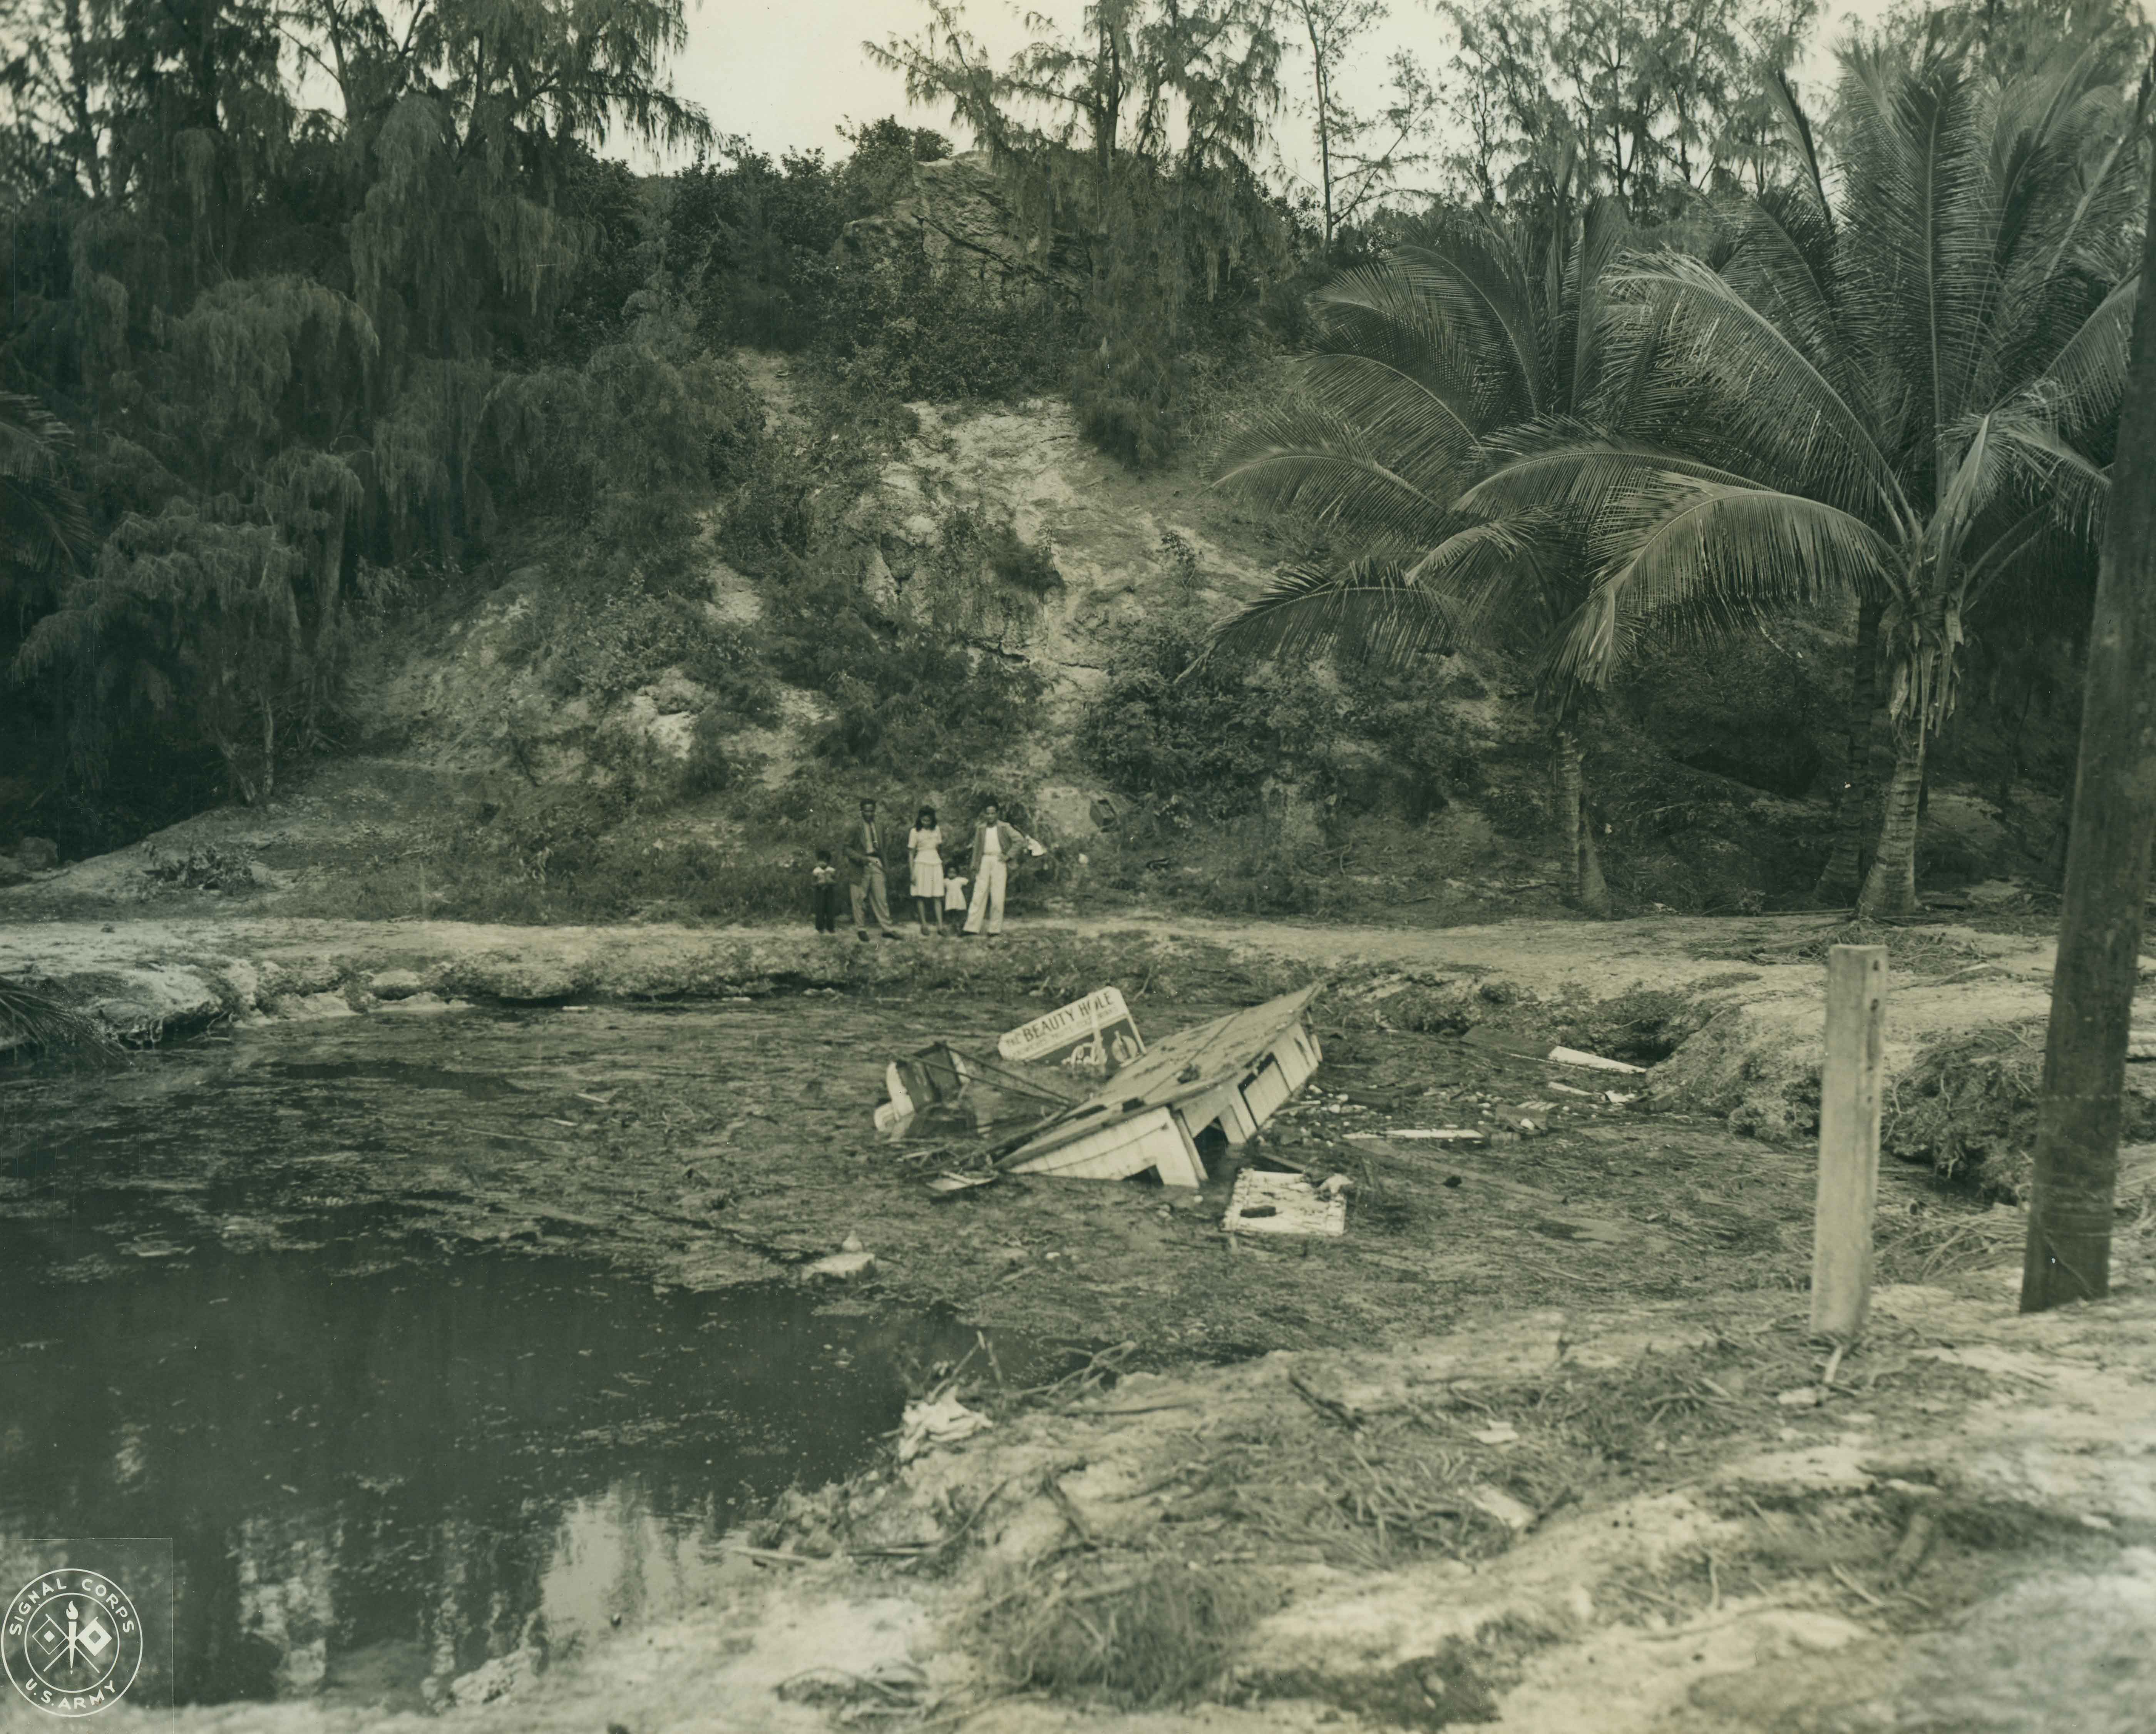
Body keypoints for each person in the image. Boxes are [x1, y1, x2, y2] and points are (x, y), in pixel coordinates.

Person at [961, 799, 1042, 938]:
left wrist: (1008, 856)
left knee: (998, 896)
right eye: (988, 814)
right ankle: (971, 927)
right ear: (984, 815)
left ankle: (994, 929)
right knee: (979, 894)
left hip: (999, 861)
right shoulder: (981, 829)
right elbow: (977, 849)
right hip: (985, 861)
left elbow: (1020, 840)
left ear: (997, 814)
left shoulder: (1004, 827)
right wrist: (975, 866)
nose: (991, 816)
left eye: (993, 813)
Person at [844, 798, 903, 941]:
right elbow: (847, 848)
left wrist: (886, 866)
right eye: (866, 811)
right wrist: (861, 859)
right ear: (861, 811)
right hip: (861, 864)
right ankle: (861, 929)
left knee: (881, 897)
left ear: (875, 811)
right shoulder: (855, 827)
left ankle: (887, 929)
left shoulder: (880, 826)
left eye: (872, 811)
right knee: (859, 897)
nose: (869, 814)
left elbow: (883, 849)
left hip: (876, 861)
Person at [907, 805, 947, 935]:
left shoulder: (937, 830)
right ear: (920, 819)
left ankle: (941, 926)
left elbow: (939, 848)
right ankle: (924, 925)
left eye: (929, 820)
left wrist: (938, 861)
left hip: (935, 864)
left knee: (937, 895)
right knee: (920, 895)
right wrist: (912, 872)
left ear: (932, 820)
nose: (926, 823)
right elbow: (911, 853)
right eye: (924, 820)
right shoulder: (914, 832)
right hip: (921, 864)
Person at [809, 849, 840, 934]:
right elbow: (812, 883)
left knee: (830, 910)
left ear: (828, 862)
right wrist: (817, 884)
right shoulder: (816, 871)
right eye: (820, 861)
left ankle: (831, 927)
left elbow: (836, 881)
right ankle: (820, 928)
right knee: (820, 910)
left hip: (829, 892)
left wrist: (831, 881)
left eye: (824, 861)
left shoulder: (832, 870)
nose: (822, 863)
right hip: (819, 892)